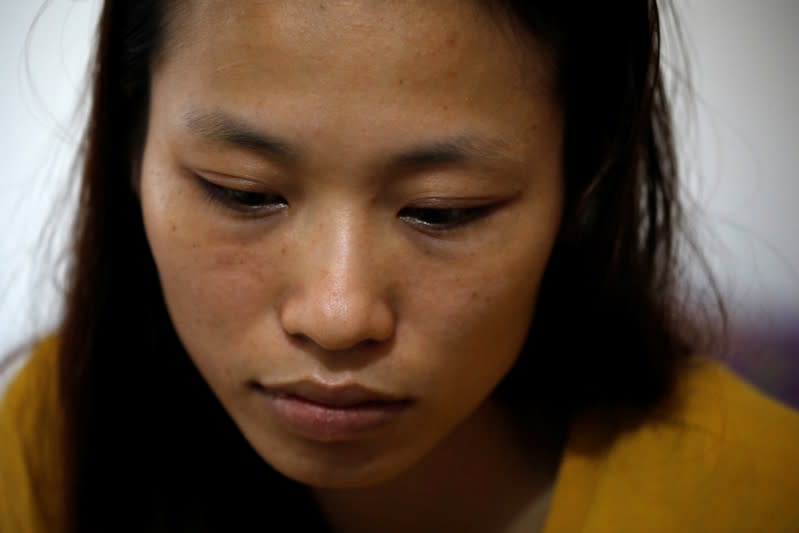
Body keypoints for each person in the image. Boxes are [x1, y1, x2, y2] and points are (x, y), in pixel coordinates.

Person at [2, 1, 798, 532]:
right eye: (241, 193)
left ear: (582, 184)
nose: (337, 313)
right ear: (133, 152)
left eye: (443, 210)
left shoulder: (760, 496)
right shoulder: (50, 444)